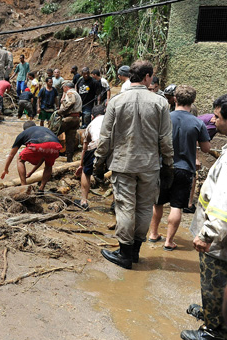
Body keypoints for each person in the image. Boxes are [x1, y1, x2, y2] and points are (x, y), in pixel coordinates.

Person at [94, 60, 174, 269]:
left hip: (123, 164)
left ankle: (125, 254)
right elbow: (165, 139)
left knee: (125, 208)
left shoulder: (116, 102)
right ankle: (135, 252)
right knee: (145, 208)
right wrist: (168, 165)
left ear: (131, 77)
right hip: (150, 165)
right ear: (147, 77)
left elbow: (105, 138)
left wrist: (98, 164)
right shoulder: (160, 103)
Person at [180, 97, 227, 340]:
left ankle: (215, 330)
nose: (213, 120)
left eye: (218, 116)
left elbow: (224, 203)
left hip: (219, 239)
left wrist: (207, 234)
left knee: (214, 280)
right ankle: (214, 314)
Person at [148, 85, 211, 250]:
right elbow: (206, 148)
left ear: (174, 99)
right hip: (185, 169)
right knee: (176, 206)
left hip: (163, 166)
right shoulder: (197, 123)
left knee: (158, 203)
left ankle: (153, 234)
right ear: (193, 101)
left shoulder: (165, 118)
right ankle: (169, 241)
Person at [1, 121, 63, 192]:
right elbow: (43, 157)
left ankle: (24, 186)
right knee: (49, 166)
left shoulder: (23, 133)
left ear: (24, 129)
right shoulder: (44, 129)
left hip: (37, 145)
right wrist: (31, 172)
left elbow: (11, 154)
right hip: (55, 145)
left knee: (20, 159)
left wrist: (5, 169)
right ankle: (41, 189)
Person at [76, 105, 105, 210]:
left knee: (86, 172)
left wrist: (81, 165)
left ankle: (83, 201)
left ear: (92, 116)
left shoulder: (90, 125)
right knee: (116, 173)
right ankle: (115, 203)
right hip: (113, 147)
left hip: (95, 145)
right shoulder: (110, 120)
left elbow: (85, 147)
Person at [54, 81, 82, 162]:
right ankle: (69, 159)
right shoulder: (76, 93)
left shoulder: (70, 93)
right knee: (70, 140)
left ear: (66, 87)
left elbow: (71, 102)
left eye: (63, 88)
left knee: (53, 132)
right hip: (76, 118)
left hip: (69, 118)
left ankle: (47, 153)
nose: (63, 90)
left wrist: (61, 111)